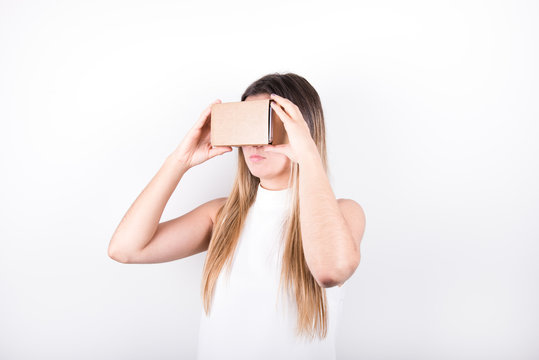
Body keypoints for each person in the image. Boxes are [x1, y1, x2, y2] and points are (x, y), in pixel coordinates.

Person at [107, 72, 366, 359]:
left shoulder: (344, 213)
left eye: (270, 126)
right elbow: (125, 249)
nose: (256, 143)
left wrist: (308, 155)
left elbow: (330, 271)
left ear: (302, 131)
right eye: (249, 126)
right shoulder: (222, 215)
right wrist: (179, 161)